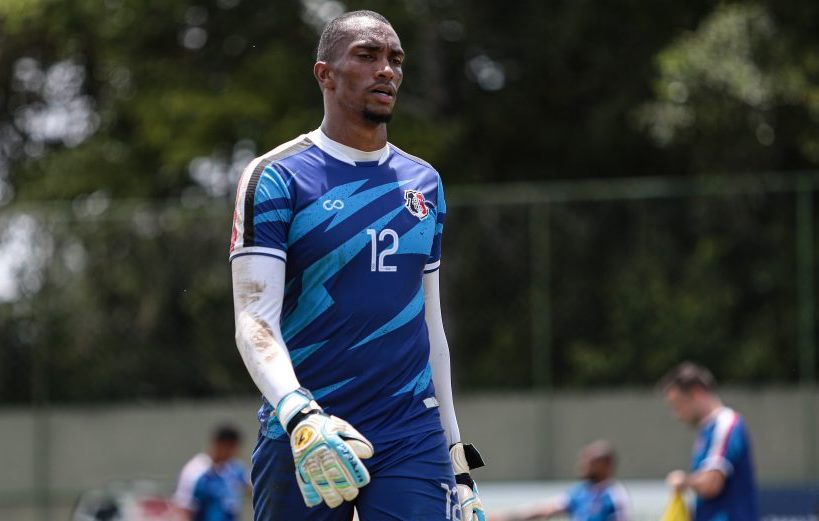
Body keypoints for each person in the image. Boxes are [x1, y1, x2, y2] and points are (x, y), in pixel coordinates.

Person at [229, 9, 485, 521]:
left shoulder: (424, 183)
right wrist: (300, 416)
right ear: (325, 73)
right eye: (367, 57)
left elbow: (431, 327)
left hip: (409, 430)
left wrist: (456, 460)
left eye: (394, 59)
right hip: (302, 428)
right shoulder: (276, 178)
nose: (385, 70)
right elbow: (254, 317)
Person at [660, 362, 758, 521]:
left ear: (697, 393)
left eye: (678, 404)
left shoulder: (725, 424)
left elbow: (712, 484)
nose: (677, 414)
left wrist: (683, 481)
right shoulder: (707, 430)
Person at [488, 440, 629, 521]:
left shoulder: (614, 495)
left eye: (590, 462)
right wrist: (497, 517)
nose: (583, 465)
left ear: (606, 465)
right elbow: (542, 510)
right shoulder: (579, 493)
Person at [173, 424, 250, 521]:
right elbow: (183, 508)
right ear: (218, 444)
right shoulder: (195, 470)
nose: (234, 452)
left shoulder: (236, 469)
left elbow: (252, 488)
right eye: (231, 447)